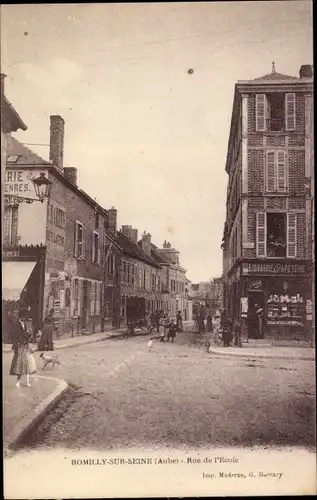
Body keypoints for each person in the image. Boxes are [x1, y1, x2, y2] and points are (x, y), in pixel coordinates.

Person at [9, 311, 36, 387]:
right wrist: (23, 337)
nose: (25, 318)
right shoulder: (16, 324)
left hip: (25, 346)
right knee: (20, 364)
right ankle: (17, 382)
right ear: (21, 317)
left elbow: (26, 333)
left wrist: (28, 335)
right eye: (24, 317)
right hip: (20, 346)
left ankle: (27, 381)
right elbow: (15, 335)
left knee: (27, 363)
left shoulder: (25, 324)